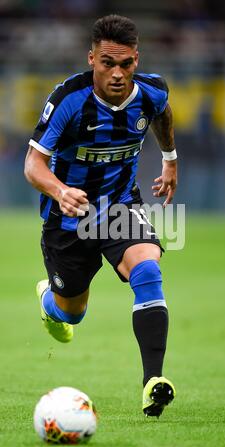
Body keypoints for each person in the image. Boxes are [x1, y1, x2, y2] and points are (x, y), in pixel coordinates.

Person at [24, 14, 178, 418]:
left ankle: (153, 383)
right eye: (107, 63)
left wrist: (170, 160)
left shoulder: (151, 92)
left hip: (119, 207)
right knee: (71, 311)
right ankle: (49, 301)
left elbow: (163, 114)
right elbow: (33, 165)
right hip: (68, 218)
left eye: (125, 64)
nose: (117, 73)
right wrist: (60, 190)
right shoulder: (68, 98)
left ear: (136, 61)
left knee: (147, 269)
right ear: (91, 58)